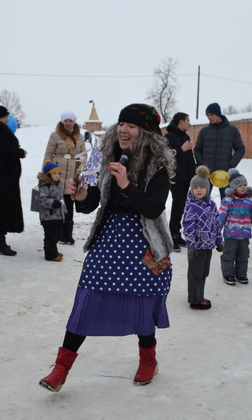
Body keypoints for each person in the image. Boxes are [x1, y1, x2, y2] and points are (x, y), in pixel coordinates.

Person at [39, 103, 175, 392]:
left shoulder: (157, 166)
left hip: (144, 242)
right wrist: (83, 196)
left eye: (132, 126)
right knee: (87, 298)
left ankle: (148, 359)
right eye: (122, 124)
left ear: (145, 132)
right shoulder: (108, 156)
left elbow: (154, 208)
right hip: (110, 239)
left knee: (143, 302)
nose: (124, 130)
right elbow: (96, 201)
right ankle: (61, 368)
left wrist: (126, 185)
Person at [182, 165, 223, 310]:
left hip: (208, 246)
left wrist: (219, 241)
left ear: (207, 188)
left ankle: (199, 296)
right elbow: (188, 227)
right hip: (197, 247)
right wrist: (191, 245)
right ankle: (195, 300)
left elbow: (217, 224)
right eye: (195, 187)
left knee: (204, 273)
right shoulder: (191, 206)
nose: (198, 190)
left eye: (202, 187)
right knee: (196, 274)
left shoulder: (211, 205)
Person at [43, 110, 87, 245]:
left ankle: (68, 234)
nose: (68, 123)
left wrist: (82, 168)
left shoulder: (79, 137)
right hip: (57, 173)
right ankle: (58, 234)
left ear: (74, 122)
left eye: (70, 121)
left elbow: (83, 155)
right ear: (62, 122)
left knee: (69, 205)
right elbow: (48, 154)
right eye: (66, 121)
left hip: (72, 174)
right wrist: (46, 171)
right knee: (57, 204)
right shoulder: (55, 135)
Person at [0, 105, 26, 256]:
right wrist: (19, 152)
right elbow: (6, 151)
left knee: (1, 209)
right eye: (5, 116)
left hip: (5, 178)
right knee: (1, 209)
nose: (7, 119)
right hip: (3, 179)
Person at [218, 168, 252, 286]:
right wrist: (215, 233)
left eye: (245, 184)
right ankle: (228, 274)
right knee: (229, 255)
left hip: (244, 236)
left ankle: (241, 273)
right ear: (233, 188)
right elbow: (220, 218)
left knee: (243, 255)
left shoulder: (250, 202)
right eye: (240, 185)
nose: (243, 187)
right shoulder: (228, 201)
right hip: (230, 235)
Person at [194, 102, 245, 201]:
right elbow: (197, 149)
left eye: (211, 114)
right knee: (203, 202)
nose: (209, 117)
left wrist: (230, 165)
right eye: (207, 115)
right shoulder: (204, 131)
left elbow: (240, 149)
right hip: (207, 175)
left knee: (227, 202)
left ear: (218, 114)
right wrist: (202, 165)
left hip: (224, 174)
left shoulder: (232, 130)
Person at [165, 112, 195, 252]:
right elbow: (166, 156)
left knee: (182, 204)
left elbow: (189, 157)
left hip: (187, 176)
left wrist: (194, 171)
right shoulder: (168, 137)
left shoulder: (185, 137)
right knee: (178, 203)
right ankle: (172, 235)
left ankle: (177, 233)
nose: (189, 123)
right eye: (188, 120)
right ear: (181, 121)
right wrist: (180, 149)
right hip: (175, 176)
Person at [36, 161, 66, 261]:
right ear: (48, 175)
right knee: (50, 236)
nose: (57, 176)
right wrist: (53, 203)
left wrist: (64, 211)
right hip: (48, 217)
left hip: (58, 216)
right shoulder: (45, 187)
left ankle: (54, 251)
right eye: (54, 173)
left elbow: (62, 200)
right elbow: (42, 200)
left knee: (56, 236)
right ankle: (50, 254)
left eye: (58, 173)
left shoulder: (58, 186)